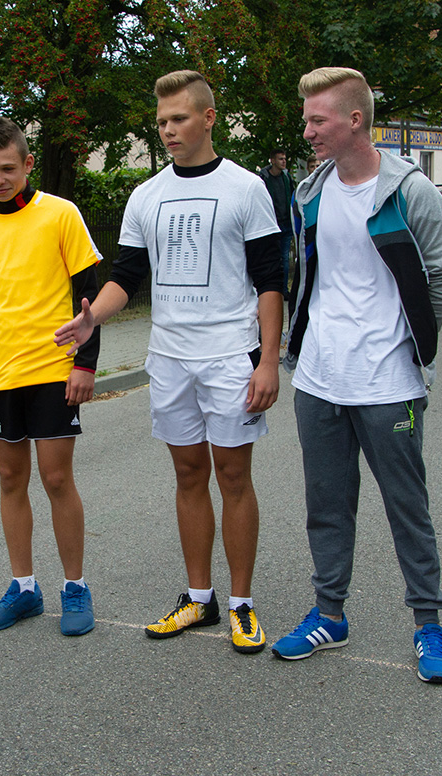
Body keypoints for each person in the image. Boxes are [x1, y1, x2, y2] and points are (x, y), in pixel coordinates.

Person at [54, 70, 283, 655]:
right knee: (187, 476)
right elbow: (126, 277)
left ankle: (242, 603)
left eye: (179, 118)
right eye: (161, 121)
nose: (168, 130)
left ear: (208, 118)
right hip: (171, 359)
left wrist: (269, 361)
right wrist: (92, 320)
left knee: (234, 477)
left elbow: (270, 281)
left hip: (230, 357)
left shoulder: (246, 188)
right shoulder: (146, 195)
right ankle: (199, 598)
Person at [271, 67, 442, 684]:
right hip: (318, 378)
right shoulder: (310, 193)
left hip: (388, 383)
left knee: (407, 507)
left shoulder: (410, 192)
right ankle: (330, 615)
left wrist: (415, 347)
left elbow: (440, 277)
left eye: (317, 119)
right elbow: (308, 275)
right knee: (326, 505)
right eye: (306, 119)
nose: (307, 131)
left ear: (355, 120)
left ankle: (428, 623)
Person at [0, 116, 102, 637]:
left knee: (56, 479)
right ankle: (24, 589)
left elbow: (89, 299)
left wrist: (86, 363)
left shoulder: (61, 214)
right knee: (11, 479)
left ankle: (75, 587)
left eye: (8, 169)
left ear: (28, 163)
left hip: (53, 369)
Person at [258, 148, 295, 294]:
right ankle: (273, 290)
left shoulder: (286, 177)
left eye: (285, 158)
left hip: (286, 223)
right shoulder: (264, 179)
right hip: (272, 224)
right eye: (280, 159)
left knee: (285, 258)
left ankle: (284, 290)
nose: (284, 161)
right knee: (273, 258)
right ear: (273, 161)